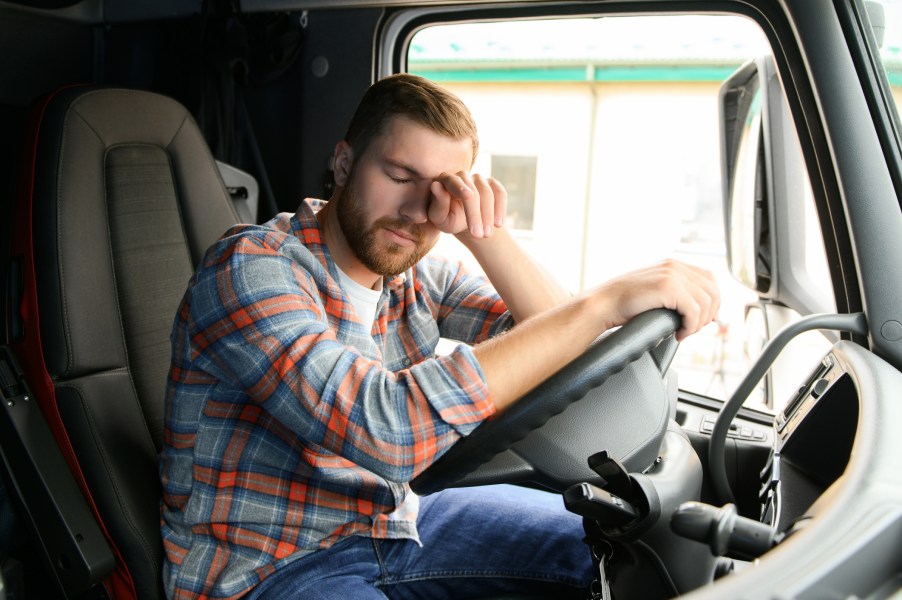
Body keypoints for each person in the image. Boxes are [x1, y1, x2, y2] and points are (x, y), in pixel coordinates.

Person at [160, 73, 720, 600]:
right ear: (343, 161)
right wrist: (603, 303)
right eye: (400, 177)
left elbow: (561, 344)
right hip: (267, 562)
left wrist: (487, 235)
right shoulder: (249, 269)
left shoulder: (415, 274)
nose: (413, 211)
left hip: (394, 519)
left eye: (438, 192)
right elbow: (385, 429)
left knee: (625, 552)